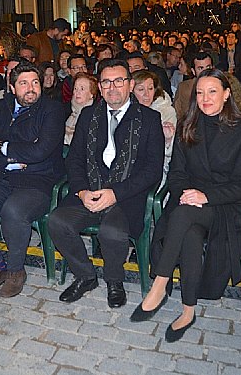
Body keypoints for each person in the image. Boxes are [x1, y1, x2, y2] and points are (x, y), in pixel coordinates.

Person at [131, 69, 241, 342]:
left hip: (225, 205)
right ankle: (188, 310)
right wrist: (188, 193)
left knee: (184, 214)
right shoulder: (189, 124)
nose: (205, 98)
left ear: (226, 94)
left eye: (212, 91)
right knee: (189, 231)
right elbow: (176, 174)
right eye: (199, 92)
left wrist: (205, 197)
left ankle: (159, 284)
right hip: (189, 200)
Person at [48, 59, 164, 308]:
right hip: (90, 191)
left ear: (130, 85)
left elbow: (153, 171)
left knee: (111, 231)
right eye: (106, 82)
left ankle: (114, 280)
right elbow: (75, 159)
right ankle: (85, 275)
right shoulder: (89, 115)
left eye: (119, 81)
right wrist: (81, 191)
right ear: (100, 87)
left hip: (126, 196)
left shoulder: (150, 118)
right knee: (57, 221)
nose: (113, 87)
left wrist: (116, 193)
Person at [0, 62, 65, 298]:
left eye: (35, 82)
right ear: (12, 87)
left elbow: (41, 151)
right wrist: (8, 161)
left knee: (13, 211)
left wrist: (3, 146)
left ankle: (16, 270)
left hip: (38, 181)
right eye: (24, 83)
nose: (31, 88)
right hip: (1, 176)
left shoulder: (53, 110)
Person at [131, 70, 176, 185]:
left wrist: (168, 140)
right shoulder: (124, 111)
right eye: (141, 89)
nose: (147, 94)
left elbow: (172, 154)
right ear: (131, 90)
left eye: (150, 89)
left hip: (155, 170)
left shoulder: (166, 112)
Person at [174, 51, 213, 120]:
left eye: (208, 67)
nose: (205, 72)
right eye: (200, 68)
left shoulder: (221, 87)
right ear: (193, 71)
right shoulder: (184, 88)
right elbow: (177, 112)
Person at [64, 72, 98, 145]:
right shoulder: (67, 110)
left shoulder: (95, 114)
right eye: (75, 88)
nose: (77, 92)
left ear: (92, 93)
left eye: (82, 89)